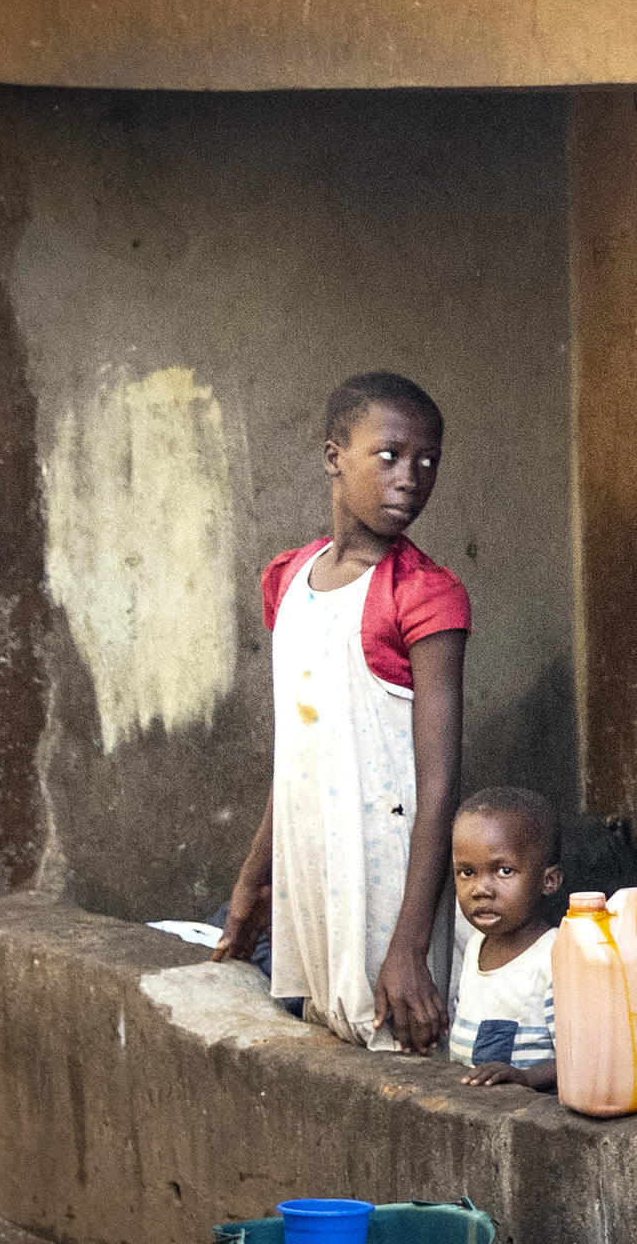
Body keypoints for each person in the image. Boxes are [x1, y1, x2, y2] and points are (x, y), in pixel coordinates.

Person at [214, 372, 470, 1053]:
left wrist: (409, 947)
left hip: (391, 883)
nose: (410, 477)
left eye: (427, 461)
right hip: (311, 871)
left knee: (397, 1041)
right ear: (334, 457)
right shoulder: (289, 581)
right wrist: (251, 883)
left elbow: (439, 783)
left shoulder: (425, 596)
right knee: (324, 1034)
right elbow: (297, 754)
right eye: (389, 456)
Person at [445, 786, 563, 1090]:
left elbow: (583, 1061)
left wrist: (524, 1078)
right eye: (467, 872)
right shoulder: (473, 947)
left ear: (548, 881)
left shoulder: (556, 956)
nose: (481, 889)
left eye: (504, 871)